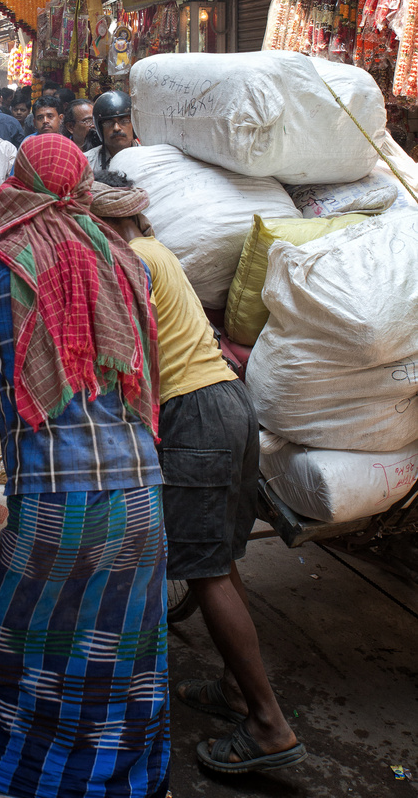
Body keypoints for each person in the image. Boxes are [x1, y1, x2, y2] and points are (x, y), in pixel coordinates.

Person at [0, 134, 169, 798]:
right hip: (141, 494)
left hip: (52, 496)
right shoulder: (129, 265)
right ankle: (122, 780)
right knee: (124, 651)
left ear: (20, 182)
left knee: (31, 644)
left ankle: (22, 776)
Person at [92, 169, 307, 777]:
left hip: (194, 416)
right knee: (220, 559)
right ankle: (237, 691)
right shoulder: (154, 249)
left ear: (106, 222)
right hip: (227, 405)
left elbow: (122, 359)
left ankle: (268, 723)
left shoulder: (129, 260)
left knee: (206, 571)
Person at [86, 90, 137, 171]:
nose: (116, 128)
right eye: (108, 122)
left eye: (124, 121)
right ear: (99, 128)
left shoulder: (150, 160)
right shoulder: (86, 163)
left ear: (134, 124)